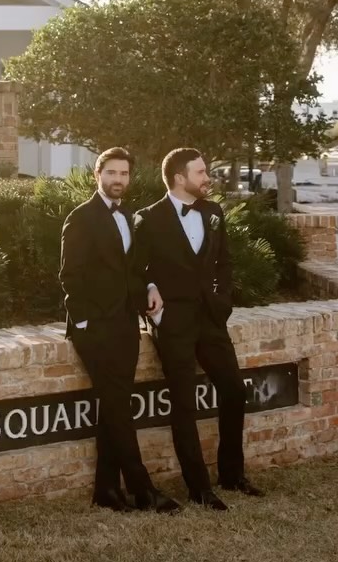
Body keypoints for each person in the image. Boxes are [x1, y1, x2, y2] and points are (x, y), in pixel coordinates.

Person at [134, 147, 263, 510]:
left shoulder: (213, 212)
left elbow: (224, 262)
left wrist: (223, 302)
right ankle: (199, 488)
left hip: (211, 319)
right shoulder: (148, 218)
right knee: (184, 404)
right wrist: (150, 291)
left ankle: (232, 474)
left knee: (234, 390)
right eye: (201, 172)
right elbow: (136, 270)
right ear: (180, 178)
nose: (208, 178)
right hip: (173, 322)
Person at [60, 146, 180, 514]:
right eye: (111, 172)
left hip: (126, 324)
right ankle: (143, 489)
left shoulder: (128, 216)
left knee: (115, 407)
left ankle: (107, 490)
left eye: (124, 174)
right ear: (97, 175)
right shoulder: (81, 218)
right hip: (95, 329)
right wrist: (84, 322)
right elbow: (70, 276)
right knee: (118, 408)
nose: (118, 179)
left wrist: (149, 287)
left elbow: (133, 269)